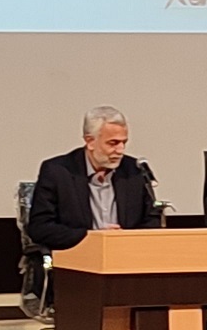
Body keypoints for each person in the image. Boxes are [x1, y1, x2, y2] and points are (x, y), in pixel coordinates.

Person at [27, 106, 160, 250]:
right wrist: (93, 238)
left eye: (124, 142)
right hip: (78, 255)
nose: (120, 150)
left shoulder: (135, 170)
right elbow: (40, 228)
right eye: (113, 143)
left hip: (127, 254)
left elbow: (152, 222)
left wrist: (124, 239)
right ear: (90, 141)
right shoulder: (58, 171)